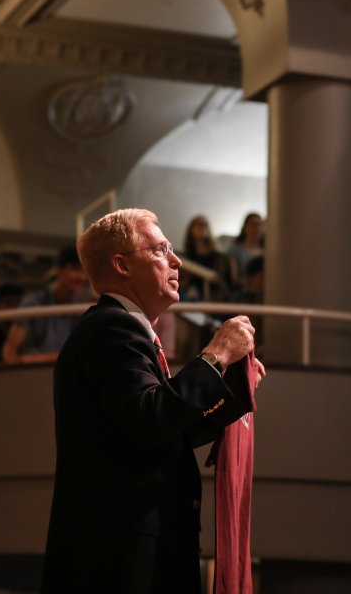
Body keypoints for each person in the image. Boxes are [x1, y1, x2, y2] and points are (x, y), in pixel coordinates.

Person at [41, 208, 266, 593]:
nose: (176, 260)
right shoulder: (110, 327)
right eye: (161, 249)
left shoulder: (125, 331)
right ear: (121, 265)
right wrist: (215, 357)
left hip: (137, 556)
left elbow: (162, 432)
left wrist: (230, 388)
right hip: (120, 564)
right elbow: (150, 418)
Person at [2, 246, 90, 365]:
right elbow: (9, 351)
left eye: (83, 270)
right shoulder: (33, 304)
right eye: (74, 269)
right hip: (34, 374)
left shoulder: (82, 308)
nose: (81, 277)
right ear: (59, 271)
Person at [180, 215, 232, 301]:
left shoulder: (219, 258)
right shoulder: (185, 259)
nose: (201, 227)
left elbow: (220, 281)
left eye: (204, 224)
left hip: (213, 302)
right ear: (191, 230)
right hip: (188, 300)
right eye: (198, 224)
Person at [227, 212, 265, 291]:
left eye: (259, 225)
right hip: (244, 292)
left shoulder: (267, 251)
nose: (256, 228)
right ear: (245, 227)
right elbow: (235, 278)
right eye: (253, 225)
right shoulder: (235, 249)